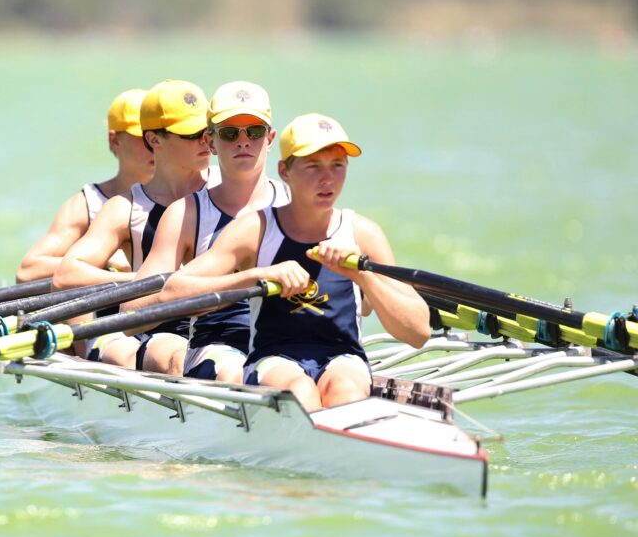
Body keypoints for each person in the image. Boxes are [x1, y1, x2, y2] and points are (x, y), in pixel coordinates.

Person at [159, 112, 430, 411]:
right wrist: (259, 276)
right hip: (274, 359)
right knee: (299, 393)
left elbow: (418, 332)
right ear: (285, 171)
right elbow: (172, 291)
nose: (327, 178)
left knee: (345, 390)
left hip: (343, 359)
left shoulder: (362, 233)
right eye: (313, 166)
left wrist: (362, 276)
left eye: (337, 166)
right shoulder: (256, 229)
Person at [121, 81, 289, 383]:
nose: (243, 142)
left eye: (254, 132)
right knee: (236, 373)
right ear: (210, 142)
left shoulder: (295, 203)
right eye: (228, 133)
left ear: (270, 139)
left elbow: (363, 306)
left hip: (286, 344)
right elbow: (131, 315)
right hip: (218, 346)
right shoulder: (186, 214)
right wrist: (238, 283)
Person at [53, 79, 215, 373]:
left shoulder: (227, 190)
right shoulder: (125, 208)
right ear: (154, 140)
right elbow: (65, 276)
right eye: (192, 134)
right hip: (156, 335)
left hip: (225, 328)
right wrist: (145, 280)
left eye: (210, 131)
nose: (207, 141)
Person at [16, 88, 154, 283]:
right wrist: (100, 260)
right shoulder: (87, 204)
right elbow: (28, 270)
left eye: (158, 135)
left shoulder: (189, 194)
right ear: (114, 140)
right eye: (142, 137)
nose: (153, 145)